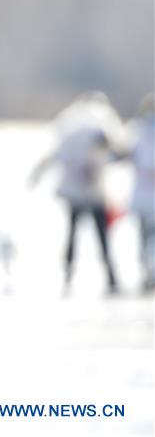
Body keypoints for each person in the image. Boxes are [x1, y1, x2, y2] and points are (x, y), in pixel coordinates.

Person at [30, 92, 122, 294]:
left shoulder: (72, 127)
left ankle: (71, 277)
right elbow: (113, 148)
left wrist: (37, 175)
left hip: (78, 192)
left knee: (77, 235)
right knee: (99, 236)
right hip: (91, 192)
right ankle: (108, 278)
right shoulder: (96, 125)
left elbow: (55, 155)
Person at [127, 93, 155, 292]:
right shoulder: (141, 130)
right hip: (147, 194)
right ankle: (148, 274)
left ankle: (147, 273)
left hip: (143, 194)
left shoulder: (137, 130)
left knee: (145, 237)